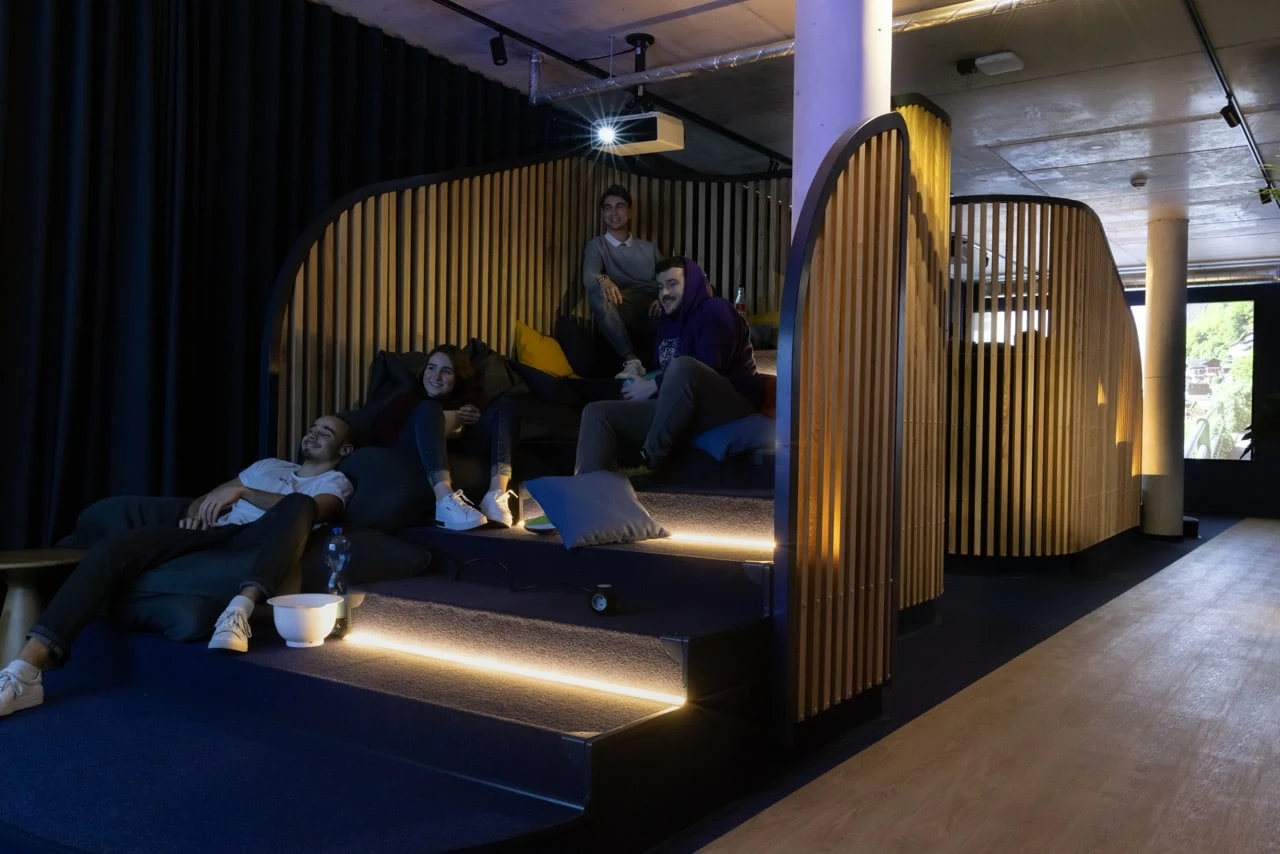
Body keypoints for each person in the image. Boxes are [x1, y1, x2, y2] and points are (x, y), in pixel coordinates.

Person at [0, 415, 357, 719]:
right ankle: (25, 671)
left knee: (297, 503)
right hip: (216, 532)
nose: (313, 433)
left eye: (325, 432)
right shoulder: (268, 466)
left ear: (345, 450)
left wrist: (244, 494)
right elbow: (210, 498)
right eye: (312, 427)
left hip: (261, 541)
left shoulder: (335, 481)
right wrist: (193, 517)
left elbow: (314, 510)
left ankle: (240, 609)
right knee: (114, 549)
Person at [574, 256, 766, 475]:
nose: (664, 293)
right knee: (597, 413)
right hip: (680, 408)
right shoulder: (667, 323)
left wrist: (653, 384)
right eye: (660, 287)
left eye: (672, 284)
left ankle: (650, 460)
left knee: (682, 366)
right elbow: (666, 372)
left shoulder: (715, 311)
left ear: (692, 283)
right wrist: (643, 379)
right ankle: (586, 490)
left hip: (730, 405)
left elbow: (710, 365)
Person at [372, 344, 518, 530]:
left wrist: (475, 420)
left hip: (458, 451)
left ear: (458, 378)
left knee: (505, 408)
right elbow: (383, 436)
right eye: (431, 368)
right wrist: (451, 420)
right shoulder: (406, 400)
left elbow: (484, 437)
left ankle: (495, 494)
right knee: (429, 408)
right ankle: (443, 501)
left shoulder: (468, 403)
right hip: (408, 449)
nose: (436, 376)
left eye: (446, 371)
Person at [581, 184, 663, 380]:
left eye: (620, 206)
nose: (614, 212)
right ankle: (632, 360)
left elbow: (666, 277)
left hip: (653, 307)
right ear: (602, 214)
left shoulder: (649, 248)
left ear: (629, 212)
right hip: (622, 304)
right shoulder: (597, 245)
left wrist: (662, 297)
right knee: (597, 291)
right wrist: (603, 279)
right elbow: (588, 276)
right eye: (608, 208)